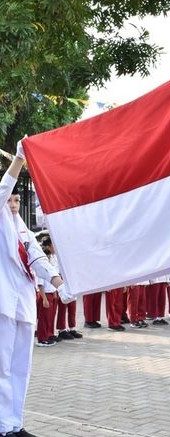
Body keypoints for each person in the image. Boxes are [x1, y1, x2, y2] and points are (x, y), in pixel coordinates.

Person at [1, 140, 69, 437]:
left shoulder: (22, 227)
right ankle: (2, 425)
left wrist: (58, 282)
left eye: (17, 201)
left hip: (23, 303)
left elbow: (38, 257)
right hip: (3, 302)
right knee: (1, 368)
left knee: (21, 367)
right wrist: (18, 160)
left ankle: (15, 423)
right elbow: (3, 187)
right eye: (10, 201)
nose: (14, 205)